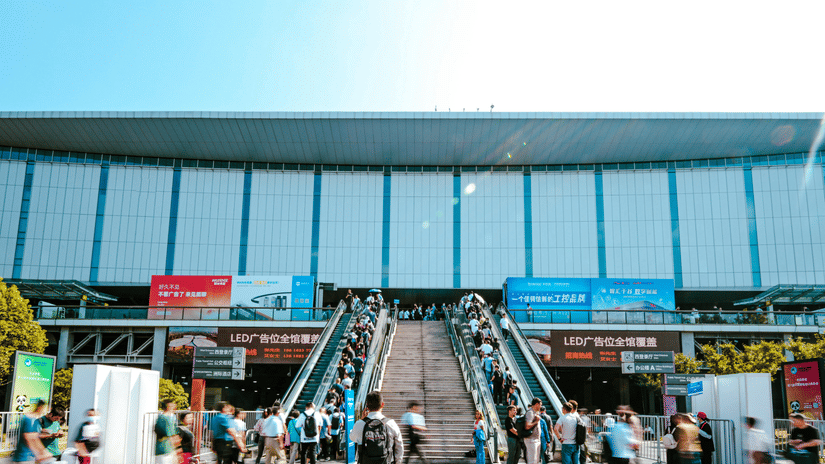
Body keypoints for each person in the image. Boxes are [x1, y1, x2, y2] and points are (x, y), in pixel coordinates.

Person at [350, 391, 404, 464]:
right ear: (382, 404)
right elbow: (399, 447)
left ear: (367, 406)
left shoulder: (359, 424)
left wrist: (362, 419)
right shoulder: (391, 423)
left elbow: (352, 438)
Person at [155, 399, 180, 464]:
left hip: (162, 450)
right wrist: (177, 450)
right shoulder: (166, 419)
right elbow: (172, 436)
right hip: (166, 450)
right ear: (169, 406)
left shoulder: (162, 417)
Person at [524, 398, 542, 464]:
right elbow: (527, 426)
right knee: (532, 461)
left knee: (536, 461)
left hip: (536, 439)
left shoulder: (535, 413)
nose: (540, 407)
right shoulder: (530, 413)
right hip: (531, 440)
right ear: (536, 404)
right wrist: (536, 421)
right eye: (540, 405)